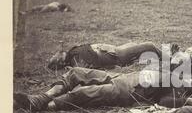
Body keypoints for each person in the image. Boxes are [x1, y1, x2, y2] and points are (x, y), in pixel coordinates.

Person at [14, 67, 192, 112]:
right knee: (76, 72)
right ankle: (44, 96)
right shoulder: (170, 73)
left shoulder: (177, 88)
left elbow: (164, 103)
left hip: (126, 92)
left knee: (83, 94)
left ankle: (42, 105)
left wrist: (187, 101)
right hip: (120, 77)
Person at [47, 42, 177, 70]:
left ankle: (165, 56)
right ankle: (170, 59)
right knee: (149, 46)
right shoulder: (75, 59)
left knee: (137, 45)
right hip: (117, 55)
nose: (57, 53)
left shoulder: (72, 53)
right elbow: (87, 69)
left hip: (115, 50)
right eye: (56, 57)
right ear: (61, 62)